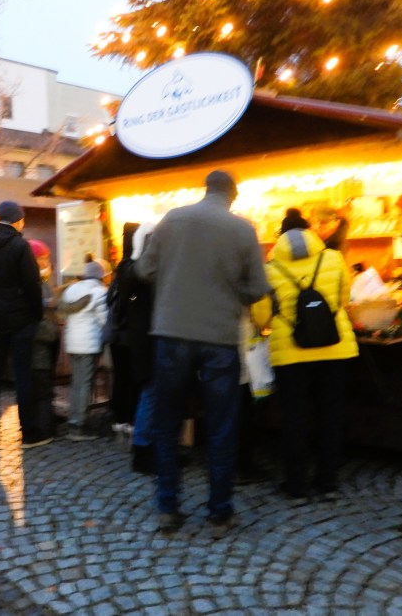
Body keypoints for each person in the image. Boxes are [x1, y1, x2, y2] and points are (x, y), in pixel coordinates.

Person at [135, 170, 270, 532]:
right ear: (233, 195)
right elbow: (259, 288)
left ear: (205, 190)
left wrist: (175, 282)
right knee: (222, 425)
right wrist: (230, 293)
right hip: (220, 338)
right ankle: (219, 512)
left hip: (171, 332)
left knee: (168, 422)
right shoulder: (243, 229)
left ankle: (167, 508)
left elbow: (144, 270)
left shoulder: (172, 219)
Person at [252, 226, 358, 502]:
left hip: (290, 355)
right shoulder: (334, 259)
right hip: (335, 349)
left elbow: (261, 315)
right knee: (331, 417)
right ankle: (328, 483)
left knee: (294, 419)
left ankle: (296, 485)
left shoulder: (270, 268)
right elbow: (344, 299)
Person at [0, 201, 48, 448]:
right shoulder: (19, 246)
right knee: (22, 374)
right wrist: (36, 313)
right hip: (20, 319)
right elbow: (32, 285)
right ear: (17, 219)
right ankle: (29, 433)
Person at [61, 255, 111, 441]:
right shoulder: (99, 292)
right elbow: (104, 320)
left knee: (76, 383)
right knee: (85, 384)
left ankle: (73, 420)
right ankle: (79, 426)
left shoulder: (71, 289)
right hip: (89, 345)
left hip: (72, 343)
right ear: (100, 276)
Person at [121, 222, 157, 474]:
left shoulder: (131, 269)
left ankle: (148, 447)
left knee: (151, 394)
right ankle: (143, 451)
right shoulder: (137, 272)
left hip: (142, 339)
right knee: (151, 394)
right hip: (148, 340)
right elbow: (133, 300)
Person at [106, 223, 141, 436]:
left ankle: (119, 417)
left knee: (121, 377)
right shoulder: (133, 267)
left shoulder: (121, 267)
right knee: (131, 377)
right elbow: (131, 298)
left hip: (116, 334)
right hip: (128, 334)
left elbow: (112, 298)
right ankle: (127, 418)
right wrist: (138, 299)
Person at [28, 239, 62, 441]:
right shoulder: (31, 281)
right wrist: (47, 303)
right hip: (39, 340)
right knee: (40, 385)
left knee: (46, 381)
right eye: (41, 258)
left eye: (46, 258)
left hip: (47, 338)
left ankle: (46, 420)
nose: (45, 262)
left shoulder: (43, 280)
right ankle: (44, 428)